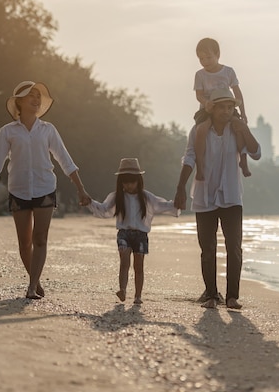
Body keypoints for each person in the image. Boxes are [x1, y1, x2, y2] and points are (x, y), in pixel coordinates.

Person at [0, 80, 91, 300]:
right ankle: (36, 280)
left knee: (40, 239)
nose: (37, 99)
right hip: (18, 190)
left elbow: (65, 160)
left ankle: (31, 287)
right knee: (24, 244)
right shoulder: (7, 131)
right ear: (19, 101)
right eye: (32, 95)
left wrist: (81, 189)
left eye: (39, 96)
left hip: (44, 188)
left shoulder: (48, 130)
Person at [174, 88, 261, 309]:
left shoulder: (237, 131)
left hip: (232, 197)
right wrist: (180, 188)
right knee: (208, 248)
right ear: (212, 108)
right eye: (221, 107)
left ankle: (233, 297)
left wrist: (245, 129)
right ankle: (211, 295)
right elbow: (190, 157)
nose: (226, 111)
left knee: (234, 248)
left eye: (230, 107)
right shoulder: (198, 131)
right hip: (204, 196)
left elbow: (256, 153)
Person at [87, 158, 180, 304]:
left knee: (139, 266)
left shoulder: (146, 197)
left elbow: (163, 205)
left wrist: (177, 203)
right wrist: (90, 203)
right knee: (124, 263)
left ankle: (138, 296)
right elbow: (104, 209)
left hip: (141, 235)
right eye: (125, 181)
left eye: (132, 181)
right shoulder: (117, 197)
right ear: (121, 182)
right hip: (123, 233)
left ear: (138, 180)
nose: (129, 185)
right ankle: (122, 290)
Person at [193, 37, 251, 181]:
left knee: (240, 128)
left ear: (218, 54)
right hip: (208, 109)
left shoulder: (228, 72)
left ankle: (243, 159)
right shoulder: (200, 75)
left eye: (208, 57)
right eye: (201, 59)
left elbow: (237, 92)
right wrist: (206, 103)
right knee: (201, 130)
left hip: (226, 107)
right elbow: (199, 95)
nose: (205, 62)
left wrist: (242, 112)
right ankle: (199, 166)